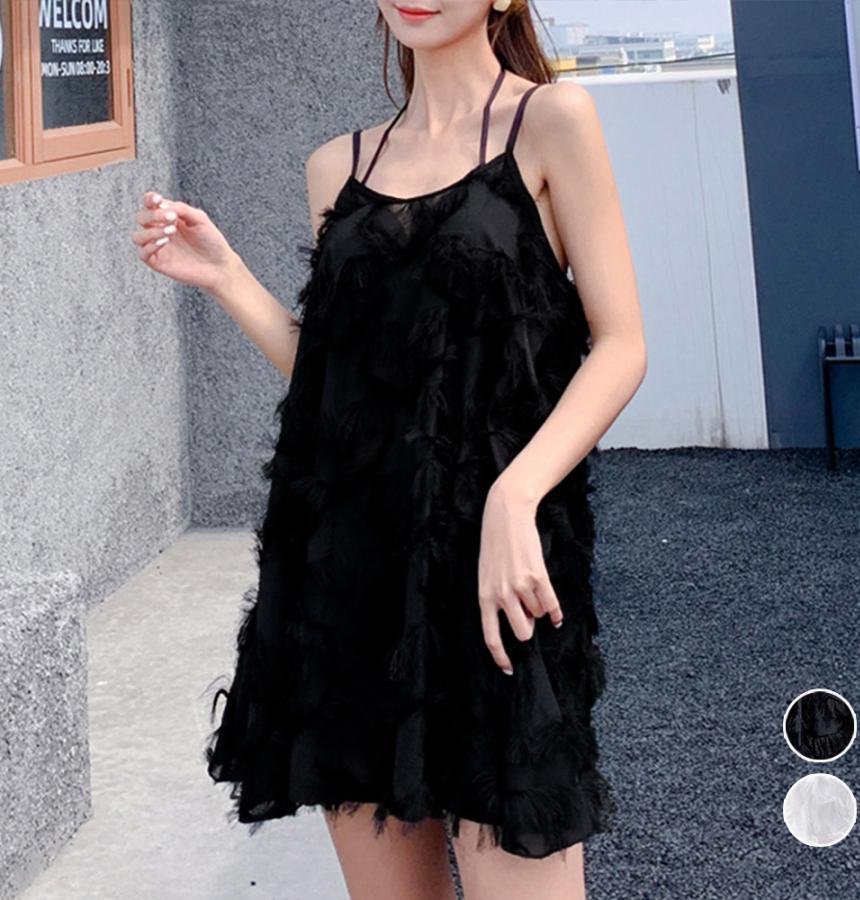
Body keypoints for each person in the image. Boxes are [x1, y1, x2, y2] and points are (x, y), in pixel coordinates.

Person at [132, 1, 645, 897]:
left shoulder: (551, 122)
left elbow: (622, 344)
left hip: (498, 579)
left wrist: (515, 494)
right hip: (354, 583)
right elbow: (347, 385)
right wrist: (227, 278)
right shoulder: (338, 167)